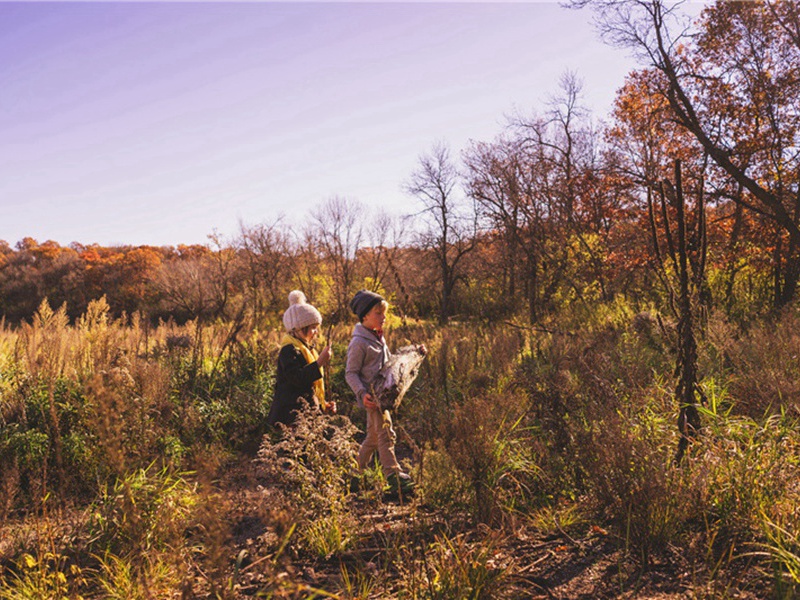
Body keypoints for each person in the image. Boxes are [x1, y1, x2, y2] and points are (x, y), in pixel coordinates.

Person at [345, 289, 414, 499]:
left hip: (383, 396)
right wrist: (361, 393)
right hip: (373, 399)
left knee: (373, 438)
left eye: (383, 313)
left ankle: (355, 476)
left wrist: (413, 352)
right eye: (378, 313)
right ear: (365, 315)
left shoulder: (378, 337)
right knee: (386, 434)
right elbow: (350, 373)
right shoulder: (359, 343)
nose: (383, 317)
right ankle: (393, 479)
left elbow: (389, 363)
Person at [267, 290, 334, 429]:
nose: (316, 332)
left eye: (317, 328)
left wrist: (323, 405)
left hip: (306, 415)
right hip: (291, 417)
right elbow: (298, 378)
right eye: (313, 328)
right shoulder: (288, 350)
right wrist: (320, 362)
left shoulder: (309, 350)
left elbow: (311, 386)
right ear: (298, 328)